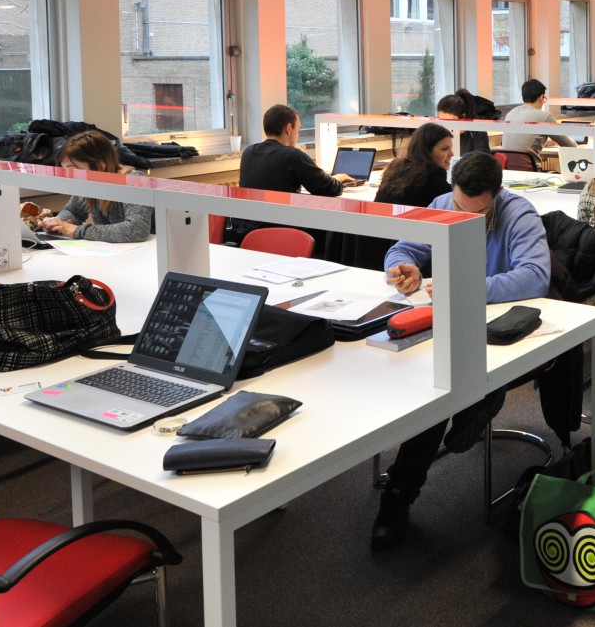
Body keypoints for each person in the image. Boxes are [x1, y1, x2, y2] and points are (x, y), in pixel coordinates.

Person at [373, 153, 553, 550]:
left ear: (497, 194)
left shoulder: (518, 214)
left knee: (442, 388)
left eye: (478, 213)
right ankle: (478, 402)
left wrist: (467, 286)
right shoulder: (442, 203)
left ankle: (399, 494)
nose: (466, 218)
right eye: (459, 208)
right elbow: (401, 249)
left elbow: (536, 276)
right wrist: (403, 269)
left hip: (502, 328)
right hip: (453, 321)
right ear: (452, 190)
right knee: (425, 376)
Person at [232, 104, 358, 239]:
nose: (298, 135)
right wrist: (336, 179)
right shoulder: (292, 155)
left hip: (247, 230)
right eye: (298, 130)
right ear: (289, 128)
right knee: (334, 223)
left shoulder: (249, 152)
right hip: (280, 230)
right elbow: (328, 189)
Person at [356, 122, 454, 270]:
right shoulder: (434, 182)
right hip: (409, 255)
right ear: (426, 151)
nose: (451, 154)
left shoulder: (395, 170)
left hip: (377, 251)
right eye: (445, 149)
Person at [38, 131, 153, 243]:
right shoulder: (87, 183)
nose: (69, 176)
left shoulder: (134, 181)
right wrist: (57, 222)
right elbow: (73, 211)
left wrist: (78, 231)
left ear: (99, 166)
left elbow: (137, 230)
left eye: (73, 170)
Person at [502, 78, 579, 155]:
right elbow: (570, 145)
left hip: (507, 163)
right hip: (529, 163)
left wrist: (547, 142)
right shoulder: (544, 116)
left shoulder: (510, 113)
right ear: (541, 97)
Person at [437, 91, 489, 156]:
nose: (446, 126)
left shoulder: (477, 130)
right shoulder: (440, 133)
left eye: (450, 122)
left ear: (463, 118)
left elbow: (482, 158)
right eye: (442, 121)